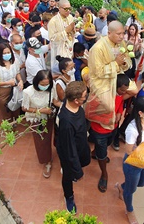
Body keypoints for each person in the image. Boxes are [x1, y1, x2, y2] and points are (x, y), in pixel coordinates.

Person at [115, 97, 144, 224]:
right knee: (131, 190)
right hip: (133, 163)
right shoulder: (132, 129)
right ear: (140, 113)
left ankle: (121, 186)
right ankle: (129, 210)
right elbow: (128, 151)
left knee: (141, 184)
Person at [86, 20, 131, 138]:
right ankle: (97, 125)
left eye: (123, 33)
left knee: (134, 91)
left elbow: (126, 64)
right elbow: (98, 72)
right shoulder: (98, 48)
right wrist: (116, 64)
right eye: (118, 34)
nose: (122, 37)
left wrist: (124, 62)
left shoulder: (121, 44)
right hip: (101, 80)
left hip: (116, 76)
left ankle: (119, 109)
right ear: (109, 33)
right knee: (108, 106)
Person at [56, 81, 91, 212]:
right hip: (69, 151)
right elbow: (69, 150)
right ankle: (69, 197)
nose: (86, 98)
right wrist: (77, 171)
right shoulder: (66, 122)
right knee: (68, 175)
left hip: (80, 144)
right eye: (84, 97)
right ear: (76, 100)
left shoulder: (74, 104)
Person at [22, 70, 61, 178]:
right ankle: (46, 161)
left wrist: (65, 105)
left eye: (47, 84)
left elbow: (55, 101)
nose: (45, 86)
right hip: (36, 119)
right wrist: (41, 110)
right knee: (40, 140)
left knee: (48, 137)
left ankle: (49, 154)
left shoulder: (51, 88)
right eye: (42, 84)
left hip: (48, 118)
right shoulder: (28, 92)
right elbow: (24, 108)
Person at [0, 42, 23, 120]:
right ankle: (8, 126)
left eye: (8, 52)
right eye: (4, 53)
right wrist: (7, 83)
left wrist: (20, 80)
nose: (7, 54)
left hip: (14, 89)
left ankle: (15, 124)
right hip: (3, 91)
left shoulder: (15, 62)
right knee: (6, 111)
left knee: (16, 108)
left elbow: (17, 73)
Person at [48, 0, 75, 72]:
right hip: (59, 50)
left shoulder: (70, 17)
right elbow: (52, 38)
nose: (68, 11)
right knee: (61, 71)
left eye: (69, 9)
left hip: (69, 47)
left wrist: (75, 29)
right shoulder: (53, 21)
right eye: (66, 9)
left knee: (71, 71)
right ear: (59, 8)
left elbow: (72, 33)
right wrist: (65, 31)